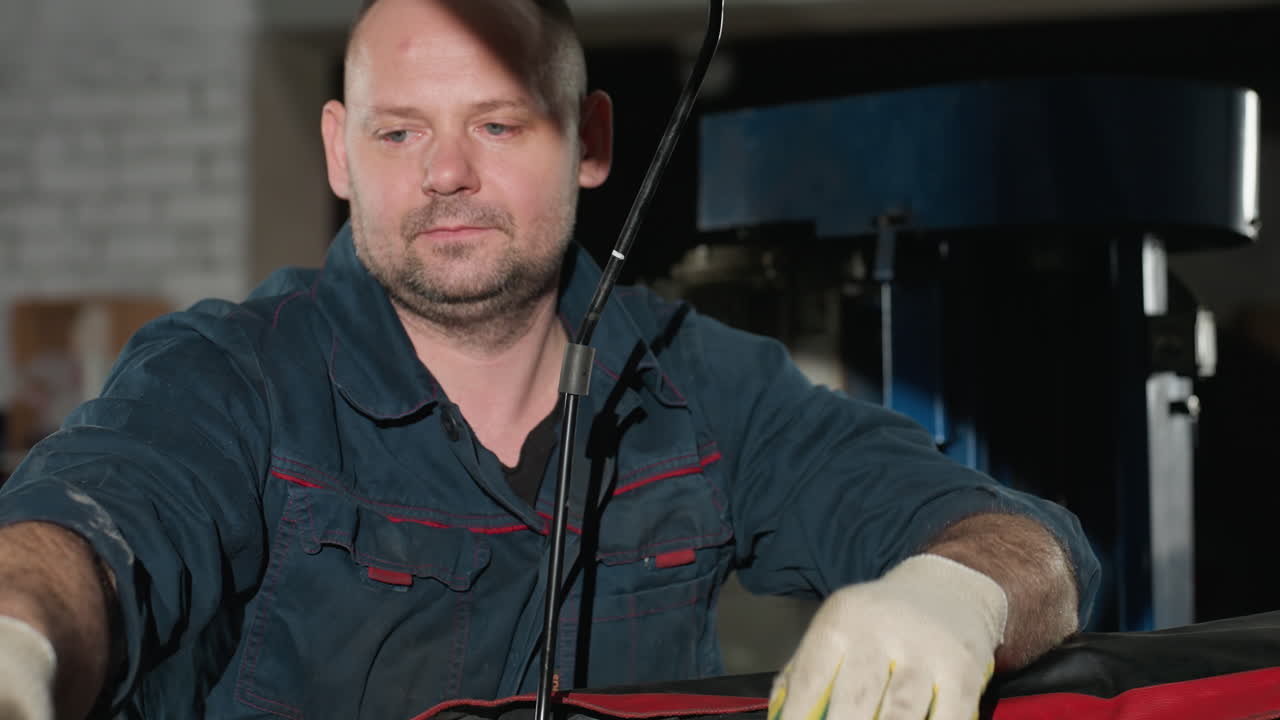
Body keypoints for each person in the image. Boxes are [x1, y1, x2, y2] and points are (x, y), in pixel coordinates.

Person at [0, 0, 1100, 718]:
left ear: (590, 144)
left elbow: (1033, 547)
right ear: (340, 151)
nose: (443, 174)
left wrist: (954, 592)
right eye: (399, 132)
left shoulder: (701, 385)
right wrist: (17, 642)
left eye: (498, 124)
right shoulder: (228, 378)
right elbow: (89, 534)